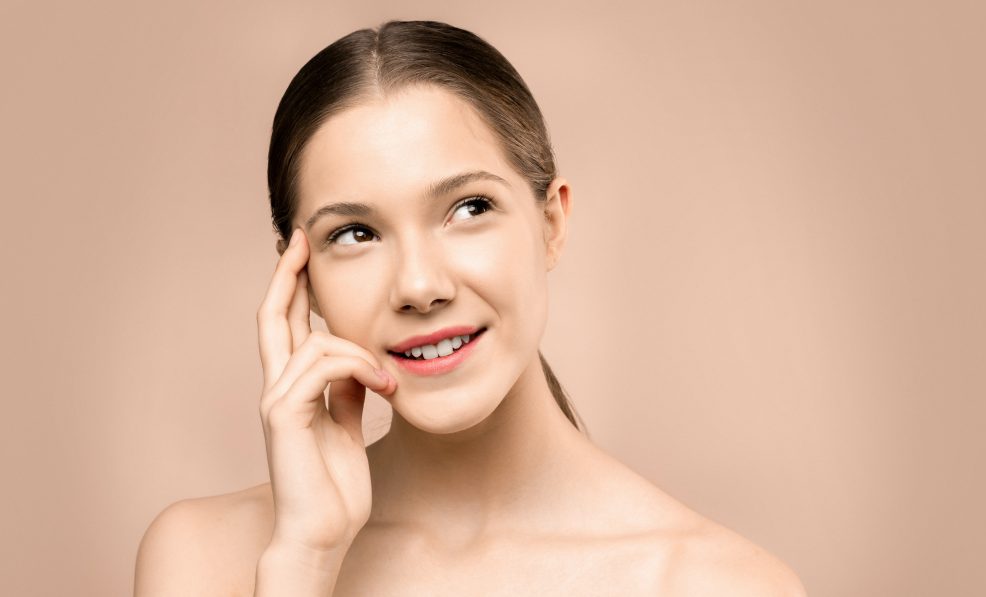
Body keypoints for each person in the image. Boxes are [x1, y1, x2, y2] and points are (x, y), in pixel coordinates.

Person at [134, 19, 806, 596]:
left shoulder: (717, 583)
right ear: (299, 276)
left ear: (552, 222)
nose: (420, 285)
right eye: (356, 233)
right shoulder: (204, 561)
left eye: (468, 208)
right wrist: (304, 562)